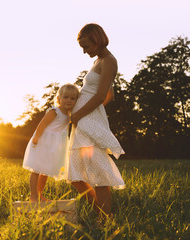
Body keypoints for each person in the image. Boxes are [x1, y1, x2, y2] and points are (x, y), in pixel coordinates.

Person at [68, 23, 125, 217]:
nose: (85, 52)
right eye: (82, 48)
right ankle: (100, 213)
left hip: (86, 118)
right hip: (85, 118)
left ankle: (104, 219)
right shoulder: (97, 61)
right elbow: (110, 94)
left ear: (98, 40)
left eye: (87, 46)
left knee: (99, 173)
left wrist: (80, 114)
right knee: (75, 173)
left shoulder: (109, 60)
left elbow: (101, 96)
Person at [23, 84, 79, 202]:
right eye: (66, 97)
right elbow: (42, 124)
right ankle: (33, 196)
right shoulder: (55, 111)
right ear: (58, 98)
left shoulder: (69, 114)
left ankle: (40, 194)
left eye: (72, 98)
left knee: (45, 171)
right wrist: (36, 137)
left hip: (56, 146)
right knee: (37, 169)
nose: (69, 100)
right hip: (44, 142)